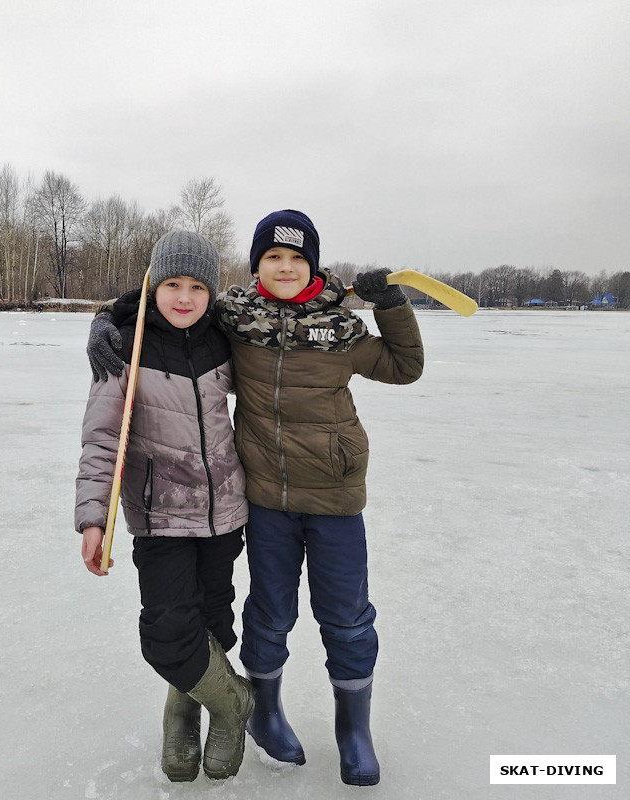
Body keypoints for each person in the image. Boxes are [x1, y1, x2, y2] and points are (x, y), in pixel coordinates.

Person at [86, 210, 424, 787]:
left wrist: (390, 304)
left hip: (333, 496)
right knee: (268, 616)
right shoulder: (237, 321)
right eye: (273, 257)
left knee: (345, 618)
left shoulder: (337, 330)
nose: (285, 267)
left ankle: (353, 729)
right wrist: (105, 320)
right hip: (264, 496)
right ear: (256, 265)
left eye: (297, 258)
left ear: (313, 264)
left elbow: (404, 366)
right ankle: (259, 710)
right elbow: (169, 295)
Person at [76, 230, 254, 783]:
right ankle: (233, 704)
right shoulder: (123, 347)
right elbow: (104, 439)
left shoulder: (227, 339)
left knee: (214, 620)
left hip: (225, 511)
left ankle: (184, 712)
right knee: (167, 632)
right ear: (153, 285)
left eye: (197, 286)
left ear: (212, 292)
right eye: (172, 284)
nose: (183, 297)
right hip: (159, 517)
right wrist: (92, 518)